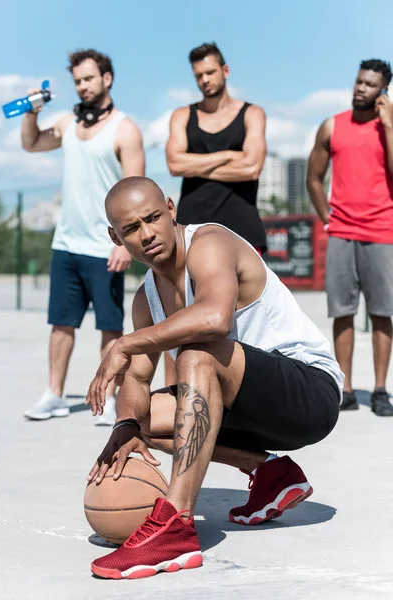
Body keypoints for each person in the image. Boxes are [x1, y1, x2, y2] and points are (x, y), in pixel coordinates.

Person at [85, 176, 343, 580]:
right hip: (249, 403)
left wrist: (124, 343)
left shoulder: (210, 243)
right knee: (145, 420)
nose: (147, 234)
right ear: (115, 237)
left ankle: (175, 526)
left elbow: (214, 318)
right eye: (131, 229)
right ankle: (272, 474)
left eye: (152, 218)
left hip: (310, 392)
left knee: (199, 353)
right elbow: (137, 380)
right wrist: (125, 424)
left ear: (171, 209)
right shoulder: (146, 298)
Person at [21, 49, 145, 425]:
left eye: (89, 78)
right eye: (77, 81)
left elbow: (135, 189)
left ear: (107, 79)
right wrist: (31, 112)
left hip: (104, 246)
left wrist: (123, 243)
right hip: (67, 243)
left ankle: (107, 399)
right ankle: (54, 395)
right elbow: (31, 143)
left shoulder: (125, 128)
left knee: (109, 327)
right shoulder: (66, 124)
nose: (82, 86)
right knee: (61, 325)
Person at [165, 41, 267, 384]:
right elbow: (174, 163)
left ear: (225, 70)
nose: (205, 79)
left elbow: (252, 167)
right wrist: (228, 155)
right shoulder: (183, 115)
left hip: (242, 228)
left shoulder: (252, 113)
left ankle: (245, 395)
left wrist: (197, 164)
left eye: (210, 72)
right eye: (198, 75)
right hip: (191, 228)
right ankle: (178, 392)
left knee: (248, 323)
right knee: (180, 320)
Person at [307, 58, 393, 417]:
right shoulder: (332, 126)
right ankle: (345, 389)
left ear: (383, 91)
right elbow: (314, 176)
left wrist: (388, 125)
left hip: (382, 231)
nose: (361, 88)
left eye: (370, 84)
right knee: (342, 312)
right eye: (359, 81)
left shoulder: (390, 125)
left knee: (382, 313)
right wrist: (326, 218)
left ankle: (379, 390)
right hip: (341, 231)